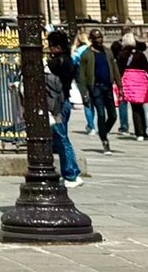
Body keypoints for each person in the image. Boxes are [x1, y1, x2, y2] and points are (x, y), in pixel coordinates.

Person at [43, 33, 82, 189]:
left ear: (57, 47)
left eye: (51, 46)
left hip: (57, 105)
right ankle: (66, 171)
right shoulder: (68, 59)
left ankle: (72, 173)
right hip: (64, 102)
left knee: (61, 138)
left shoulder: (58, 62)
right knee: (59, 138)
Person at [76, 29, 120, 152]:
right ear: (91, 40)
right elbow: (82, 77)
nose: (99, 40)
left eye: (100, 37)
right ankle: (105, 141)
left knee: (113, 116)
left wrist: (120, 86)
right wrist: (84, 93)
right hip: (96, 88)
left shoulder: (108, 52)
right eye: (96, 38)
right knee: (101, 114)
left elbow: (114, 69)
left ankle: (103, 131)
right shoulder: (86, 54)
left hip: (108, 87)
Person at [119, 39, 148, 140]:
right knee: (140, 107)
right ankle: (144, 130)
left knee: (135, 108)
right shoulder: (140, 55)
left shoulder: (122, 55)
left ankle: (139, 133)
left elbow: (119, 70)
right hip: (141, 82)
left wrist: (116, 83)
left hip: (129, 83)